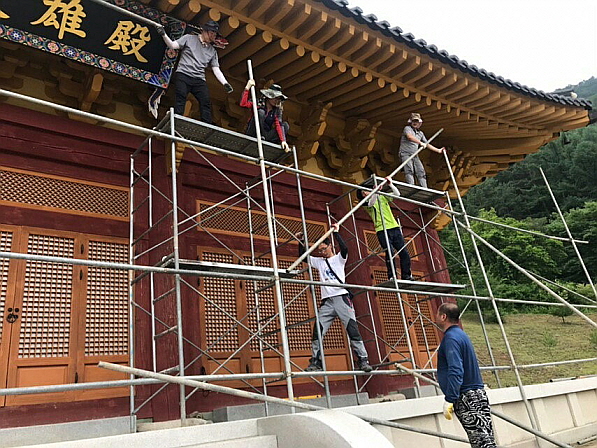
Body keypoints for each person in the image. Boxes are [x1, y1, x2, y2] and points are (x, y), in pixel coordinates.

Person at [295, 224, 372, 372]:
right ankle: (315, 361)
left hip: (341, 298)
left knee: (352, 329)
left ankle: (363, 359)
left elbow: (345, 249)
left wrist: (336, 233)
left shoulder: (339, 259)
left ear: (330, 246)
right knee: (318, 330)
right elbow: (303, 257)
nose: (322, 252)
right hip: (327, 301)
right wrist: (301, 241)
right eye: (320, 250)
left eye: (324, 249)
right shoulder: (319, 262)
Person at [436, 302, 496, 448]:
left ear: (443, 317)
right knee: (486, 440)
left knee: (481, 443)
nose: (435, 317)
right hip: (478, 394)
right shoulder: (462, 335)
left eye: (438, 314)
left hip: (466, 396)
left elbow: (456, 369)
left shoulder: (450, 339)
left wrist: (450, 398)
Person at [157, 21, 233, 123]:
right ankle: (175, 120)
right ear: (204, 31)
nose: (213, 36)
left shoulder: (212, 51)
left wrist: (225, 83)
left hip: (199, 79)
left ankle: (206, 124)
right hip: (183, 74)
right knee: (181, 97)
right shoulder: (189, 38)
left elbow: (216, 68)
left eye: (215, 34)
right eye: (212, 32)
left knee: (205, 100)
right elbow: (173, 45)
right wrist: (163, 34)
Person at [357, 177, 413, 281]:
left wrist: (390, 184)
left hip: (394, 227)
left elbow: (397, 194)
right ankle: (392, 275)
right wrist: (376, 192)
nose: (365, 193)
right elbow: (372, 203)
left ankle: (406, 275)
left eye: (366, 190)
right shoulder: (365, 203)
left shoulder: (382, 197)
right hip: (382, 230)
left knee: (404, 252)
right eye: (363, 192)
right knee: (390, 252)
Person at [240, 79, 290, 151]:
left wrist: (283, 141)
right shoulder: (258, 103)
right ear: (269, 96)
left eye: (278, 99)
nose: (276, 100)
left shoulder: (276, 110)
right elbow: (243, 103)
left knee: (285, 125)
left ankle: (267, 140)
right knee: (261, 112)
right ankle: (259, 136)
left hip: (265, 135)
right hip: (254, 131)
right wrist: (247, 87)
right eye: (275, 97)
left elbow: (278, 124)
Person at [399, 113, 445, 188]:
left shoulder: (420, 133)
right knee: (409, 170)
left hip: (414, 154)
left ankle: (424, 188)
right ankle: (411, 186)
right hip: (405, 153)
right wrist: (420, 143)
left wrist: (438, 150)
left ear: (420, 123)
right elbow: (410, 137)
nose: (415, 123)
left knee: (421, 171)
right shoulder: (407, 128)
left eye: (416, 121)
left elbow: (427, 144)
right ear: (410, 121)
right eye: (413, 121)